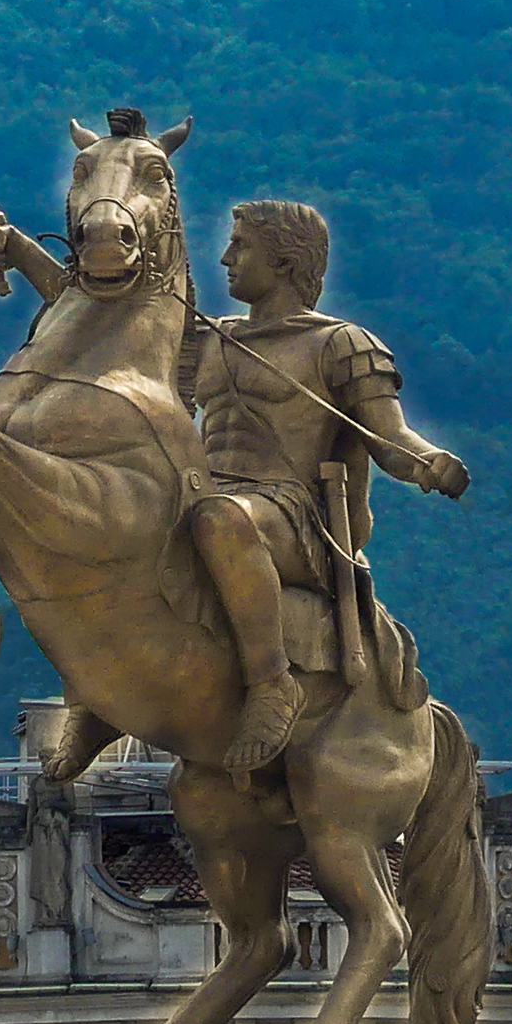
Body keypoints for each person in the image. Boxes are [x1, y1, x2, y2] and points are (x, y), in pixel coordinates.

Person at [176, 198, 467, 766]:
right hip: (209, 494)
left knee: (221, 518)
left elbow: (390, 438)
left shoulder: (341, 345)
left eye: (242, 246)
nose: (226, 257)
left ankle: (270, 685)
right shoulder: (210, 338)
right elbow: (108, 320)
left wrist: (432, 462)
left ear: (285, 260)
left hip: (292, 518)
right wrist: (14, 248)